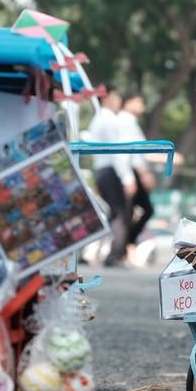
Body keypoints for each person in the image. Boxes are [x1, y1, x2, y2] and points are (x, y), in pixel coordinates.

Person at [85, 90, 134, 266]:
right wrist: (127, 178)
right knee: (120, 214)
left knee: (112, 214)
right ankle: (114, 254)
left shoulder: (97, 119)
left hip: (101, 170)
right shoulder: (109, 119)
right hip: (110, 170)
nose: (119, 100)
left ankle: (102, 251)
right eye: (115, 96)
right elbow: (117, 151)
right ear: (105, 98)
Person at [115, 91, 155, 259]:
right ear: (128, 102)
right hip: (129, 171)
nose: (142, 107)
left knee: (128, 212)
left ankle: (124, 247)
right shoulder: (126, 121)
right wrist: (142, 174)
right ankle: (121, 247)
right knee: (128, 212)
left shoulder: (127, 121)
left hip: (129, 171)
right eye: (139, 102)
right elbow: (132, 151)